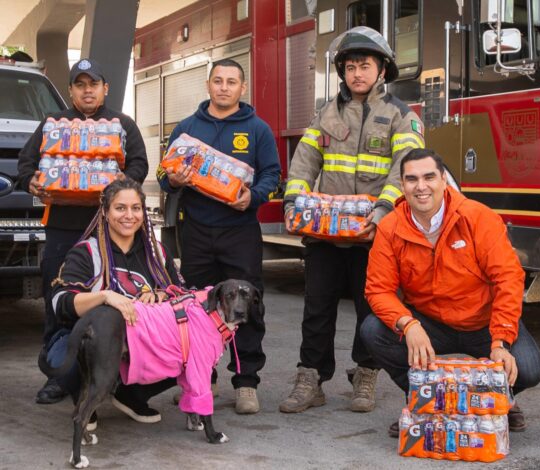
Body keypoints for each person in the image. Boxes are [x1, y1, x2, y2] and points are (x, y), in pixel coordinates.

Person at [279, 26, 425, 414]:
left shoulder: (401, 116)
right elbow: (304, 164)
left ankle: (365, 374)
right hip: (326, 235)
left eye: (365, 65)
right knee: (317, 307)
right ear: (342, 72)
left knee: (372, 310)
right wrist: (294, 202)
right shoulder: (325, 114)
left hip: (377, 235)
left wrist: (382, 214)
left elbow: (405, 170)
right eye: (350, 66)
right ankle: (310, 377)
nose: (357, 73)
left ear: (382, 70)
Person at [360, 148, 540, 436]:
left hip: (483, 322)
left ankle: (498, 398)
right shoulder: (391, 228)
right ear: (402, 184)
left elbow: (508, 278)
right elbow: (378, 290)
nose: (421, 187)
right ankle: (426, 402)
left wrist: (500, 341)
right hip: (431, 325)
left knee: (530, 368)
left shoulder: (477, 217)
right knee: (373, 330)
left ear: (444, 180)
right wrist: (408, 324)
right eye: (411, 179)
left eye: (429, 177)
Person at [17, 58, 149, 405]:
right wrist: (33, 182)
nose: (87, 90)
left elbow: (139, 164)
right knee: (58, 298)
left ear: (105, 88)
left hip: (111, 230)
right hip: (63, 225)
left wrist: (121, 187)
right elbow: (26, 164)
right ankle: (59, 376)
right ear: (72, 90)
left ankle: (120, 372)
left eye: (94, 84)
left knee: (113, 292)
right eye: (80, 84)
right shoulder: (52, 123)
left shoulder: (121, 124)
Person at [157, 58, 280, 414]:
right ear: (208, 85)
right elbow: (165, 174)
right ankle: (200, 380)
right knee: (195, 307)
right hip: (195, 230)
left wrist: (253, 197)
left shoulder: (257, 129)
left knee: (247, 305)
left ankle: (245, 382)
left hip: (240, 230)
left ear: (243, 88)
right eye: (218, 81)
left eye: (231, 81)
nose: (224, 87)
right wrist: (173, 180)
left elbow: (272, 175)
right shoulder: (187, 127)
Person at [47, 178, 180, 426]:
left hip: (141, 342)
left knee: (189, 349)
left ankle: (131, 396)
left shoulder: (157, 252)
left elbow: (183, 296)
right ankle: (86, 399)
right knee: (61, 359)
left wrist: (163, 296)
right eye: (120, 208)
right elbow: (59, 302)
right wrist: (106, 296)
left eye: (136, 208)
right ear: (106, 212)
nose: (129, 215)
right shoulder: (87, 251)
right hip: (93, 340)